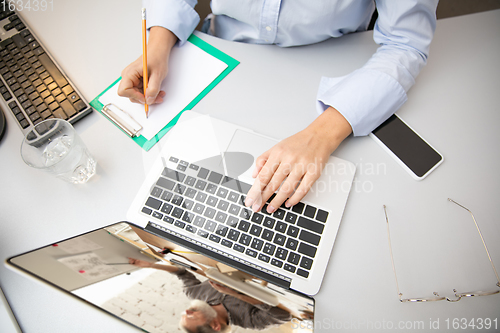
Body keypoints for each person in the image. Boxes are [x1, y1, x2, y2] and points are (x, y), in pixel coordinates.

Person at [118, 0, 438, 213]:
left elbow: (405, 44)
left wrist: (321, 138)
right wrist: (158, 43)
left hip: (330, 64)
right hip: (219, 54)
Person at [128, 258, 292, 332]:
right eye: (191, 317)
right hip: (270, 270)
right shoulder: (251, 323)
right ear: (215, 326)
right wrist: (234, 293)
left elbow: (181, 272)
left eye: (185, 314)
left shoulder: (194, 295)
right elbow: (284, 315)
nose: (187, 311)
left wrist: (151, 265)